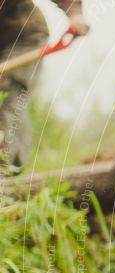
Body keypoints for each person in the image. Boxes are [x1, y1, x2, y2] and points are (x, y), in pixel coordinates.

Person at [0, 0, 89, 171]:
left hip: (23, 37)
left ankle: (3, 170)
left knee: (7, 92)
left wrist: (75, 14)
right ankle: (16, 165)